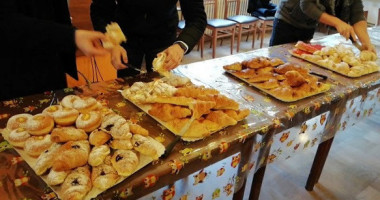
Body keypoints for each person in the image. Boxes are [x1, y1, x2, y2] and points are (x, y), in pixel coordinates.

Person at [0, 0, 109, 101]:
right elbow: (8, 22)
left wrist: (72, 34)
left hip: (52, 65)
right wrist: (71, 36)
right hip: (16, 74)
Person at [90, 0, 207, 77]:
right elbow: (100, 11)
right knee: (126, 90)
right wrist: (112, 43)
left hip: (164, 38)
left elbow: (197, 18)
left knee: (162, 90)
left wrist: (180, 46)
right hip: (126, 40)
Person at [269, 0, 376, 54]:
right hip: (287, 20)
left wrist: (366, 42)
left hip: (309, 23)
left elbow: (357, 13)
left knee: (299, 63)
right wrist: (337, 22)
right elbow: (306, 5)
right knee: (277, 62)